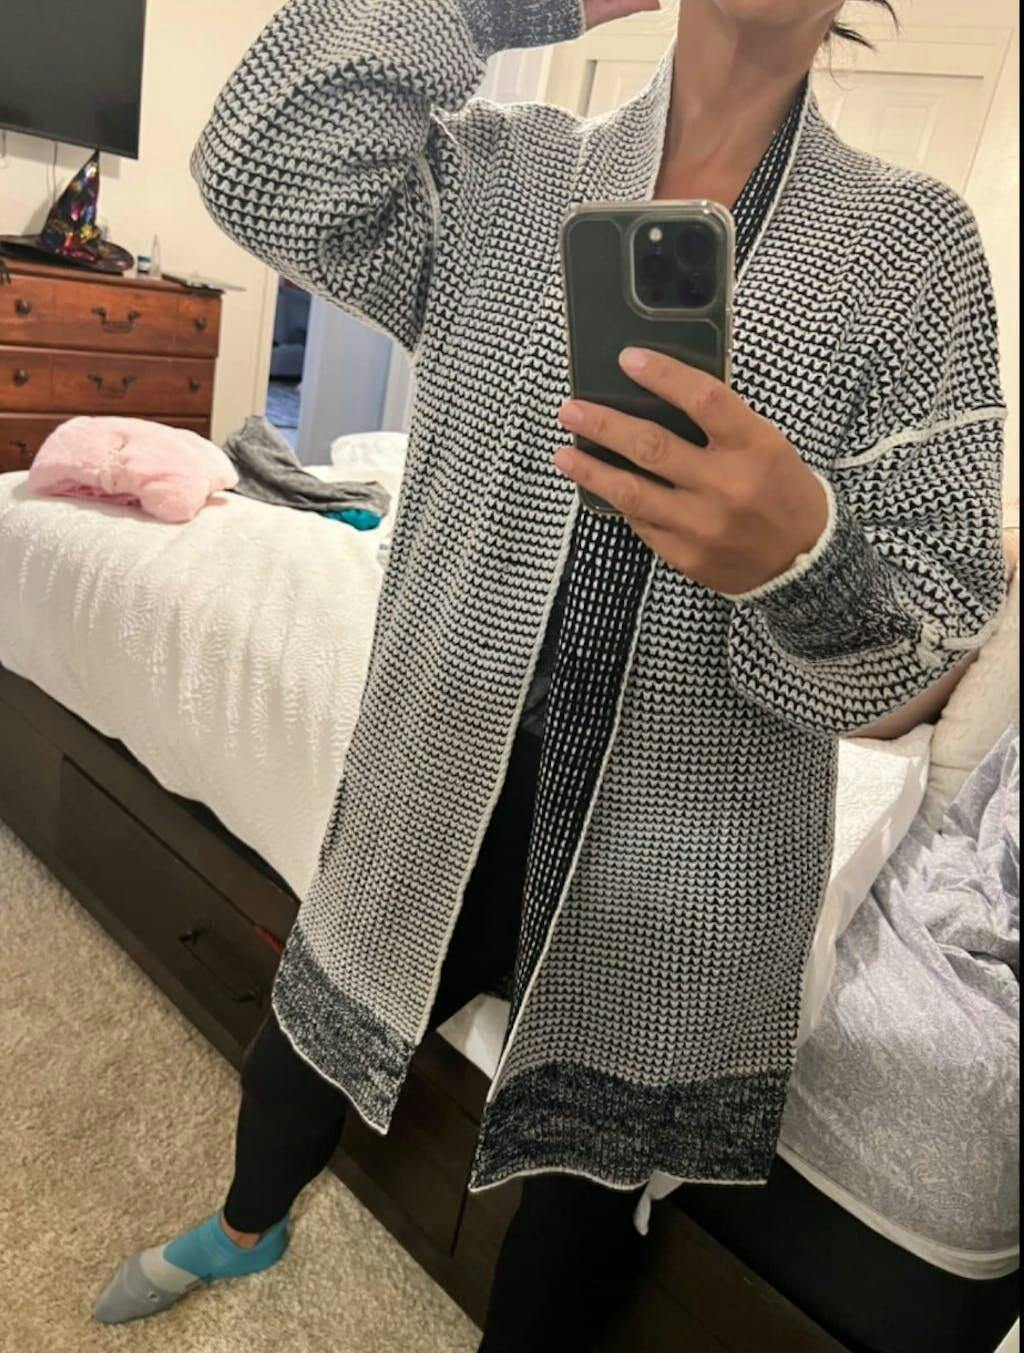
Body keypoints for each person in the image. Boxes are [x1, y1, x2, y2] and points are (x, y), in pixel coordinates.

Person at [93, 0, 1007, 1347]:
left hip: (686, 839)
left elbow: (943, 601)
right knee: (315, 1030)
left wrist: (801, 554)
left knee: (586, 1191)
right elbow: (261, 157)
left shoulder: (913, 248)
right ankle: (247, 1221)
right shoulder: (510, 174)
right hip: (452, 758)